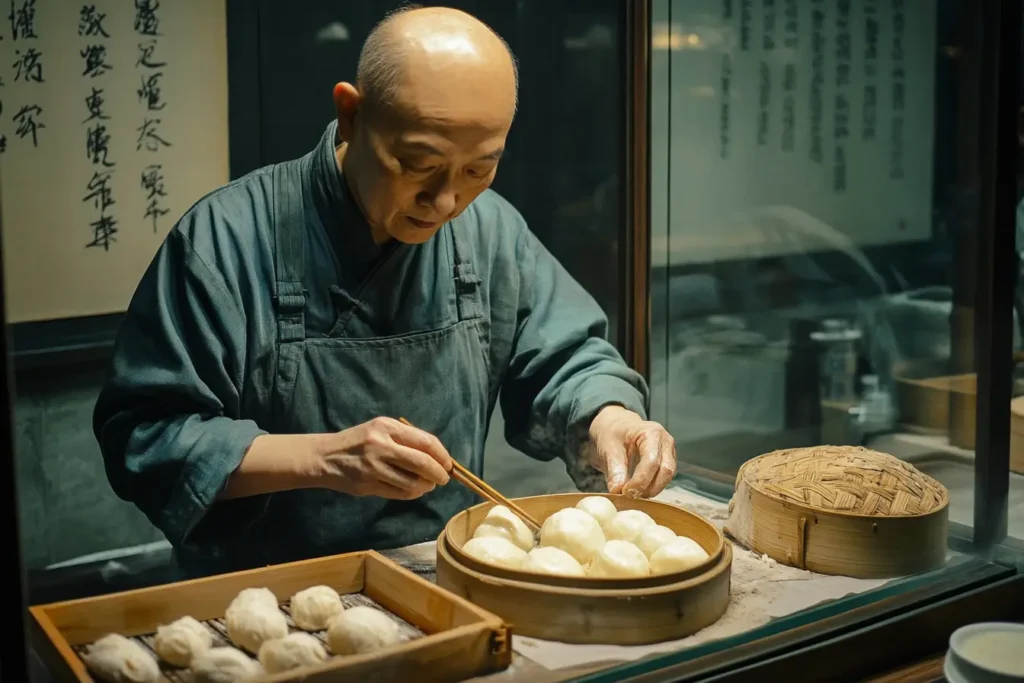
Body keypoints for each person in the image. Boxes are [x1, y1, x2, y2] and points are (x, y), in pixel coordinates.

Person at [93, 5, 676, 573]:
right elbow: (146, 435)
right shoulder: (226, 238)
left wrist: (610, 417)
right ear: (351, 114)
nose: (446, 202)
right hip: (266, 592)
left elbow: (566, 357)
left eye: (478, 169)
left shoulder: (489, 231)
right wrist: (324, 458)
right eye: (418, 163)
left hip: (447, 579)